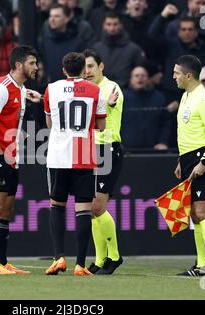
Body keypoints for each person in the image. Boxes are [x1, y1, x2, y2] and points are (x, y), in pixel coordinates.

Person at [29, 52, 107, 276]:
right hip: (83, 152)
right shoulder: (95, 91)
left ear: (64, 70)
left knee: (57, 205)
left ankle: (58, 258)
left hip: (58, 154)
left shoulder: (51, 89)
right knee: (83, 209)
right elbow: (101, 126)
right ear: (85, 69)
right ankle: (80, 265)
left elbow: (49, 122)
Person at [0, 45, 39, 275]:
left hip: (12, 158)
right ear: (18, 65)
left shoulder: (21, 90)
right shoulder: (1, 88)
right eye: (32, 63)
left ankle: (2, 262)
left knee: (6, 211)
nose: (36, 67)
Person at [173, 55, 205, 277]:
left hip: (202, 157)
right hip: (188, 158)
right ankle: (200, 264)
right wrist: (180, 159)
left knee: (202, 211)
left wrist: (204, 161)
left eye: (176, 73)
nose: (173, 77)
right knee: (194, 214)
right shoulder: (186, 96)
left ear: (188, 75)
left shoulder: (204, 98)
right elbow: (188, 131)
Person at [82, 49, 123, 275]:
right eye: (84, 67)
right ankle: (99, 260)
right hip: (89, 150)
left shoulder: (111, 88)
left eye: (91, 66)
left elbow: (112, 104)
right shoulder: (86, 90)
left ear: (101, 66)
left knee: (97, 206)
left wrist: (108, 104)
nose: (87, 71)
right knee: (91, 209)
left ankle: (114, 256)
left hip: (106, 148)